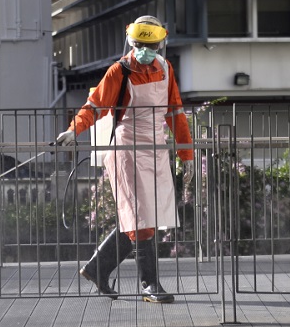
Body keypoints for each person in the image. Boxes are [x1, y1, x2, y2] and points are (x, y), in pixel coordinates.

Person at [56, 16, 194, 303]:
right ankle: (150, 285)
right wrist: (73, 130)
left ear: (160, 44)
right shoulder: (119, 71)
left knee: (144, 218)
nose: (145, 51)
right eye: (140, 45)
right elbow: (94, 107)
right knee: (141, 218)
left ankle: (96, 268)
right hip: (126, 150)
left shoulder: (166, 69)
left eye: (151, 45)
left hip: (156, 149)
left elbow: (175, 113)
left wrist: (186, 153)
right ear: (132, 42)